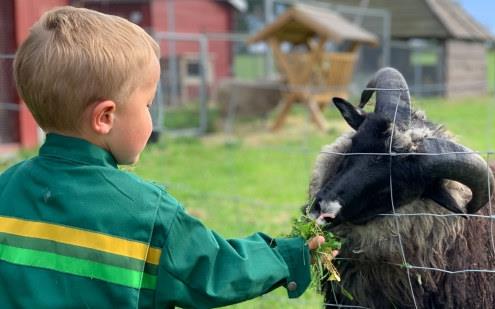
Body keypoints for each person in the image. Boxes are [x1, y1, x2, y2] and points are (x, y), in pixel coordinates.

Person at [0, 6, 327, 308]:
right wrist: (287, 255)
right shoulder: (148, 214)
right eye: (147, 105)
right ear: (105, 118)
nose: (149, 115)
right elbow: (215, 270)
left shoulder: (6, 190)